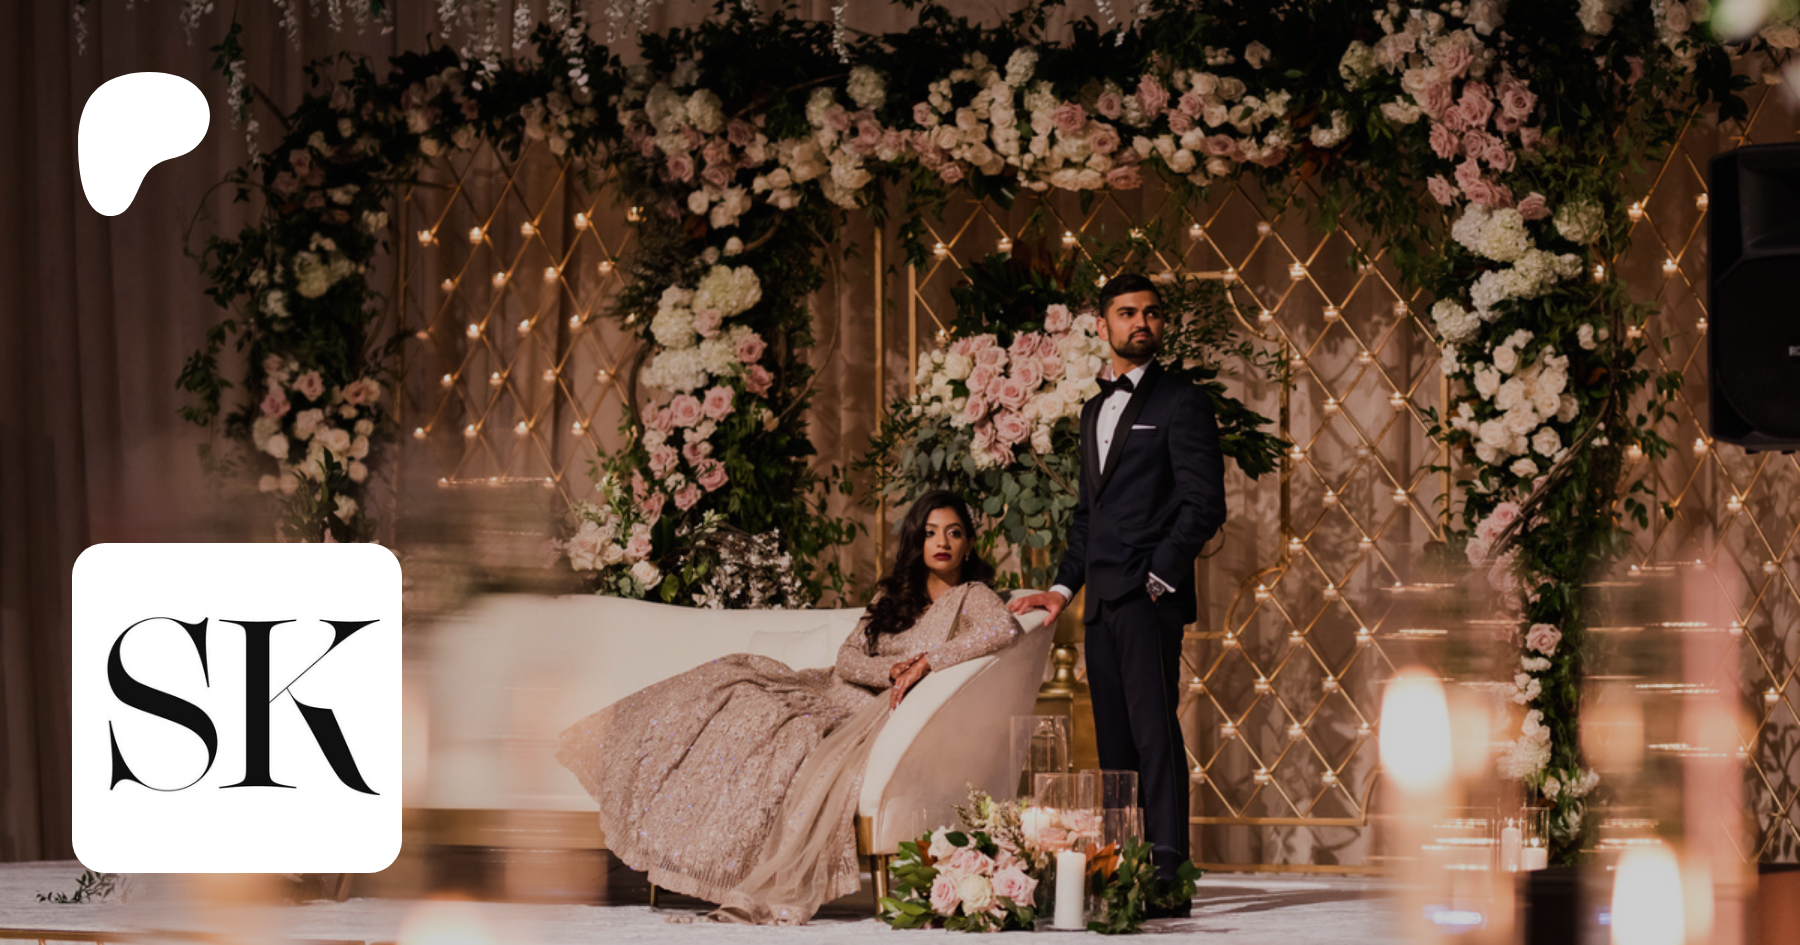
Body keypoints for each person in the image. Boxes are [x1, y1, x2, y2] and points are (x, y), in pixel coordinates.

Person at [555, 490, 1023, 924]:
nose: (942, 542)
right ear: (916, 541)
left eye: (954, 532)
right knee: (736, 687)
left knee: (794, 732)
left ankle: (754, 883)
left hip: (866, 715)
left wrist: (925, 662)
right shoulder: (892, 597)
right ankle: (637, 778)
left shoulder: (973, 597)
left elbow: (1001, 629)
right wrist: (890, 670)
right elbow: (848, 658)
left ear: (968, 544)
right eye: (930, 532)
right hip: (833, 689)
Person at [1009, 273, 1226, 918]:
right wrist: (1060, 590)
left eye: (1152, 313)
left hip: (1148, 598)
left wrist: (1159, 576)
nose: (1142, 323)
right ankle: (1126, 869)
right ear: (1102, 326)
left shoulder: (1183, 401)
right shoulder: (1091, 411)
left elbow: (1204, 503)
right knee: (1114, 748)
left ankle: (1168, 877)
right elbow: (1089, 516)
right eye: (1128, 313)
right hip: (1099, 601)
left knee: (1156, 736)